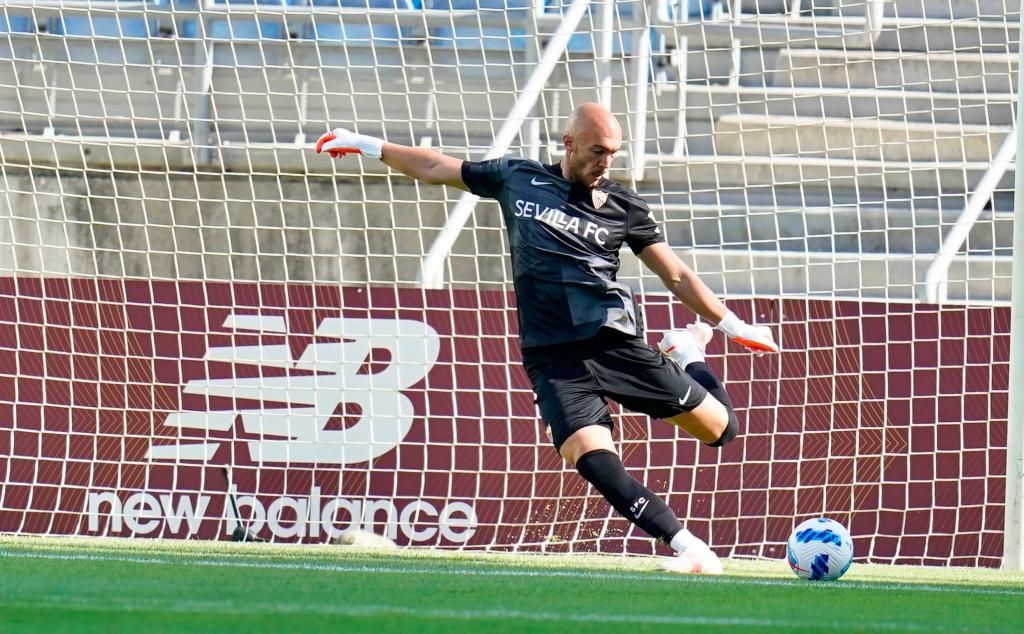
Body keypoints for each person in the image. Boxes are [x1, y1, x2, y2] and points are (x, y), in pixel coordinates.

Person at [315, 102, 779, 574]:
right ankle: (689, 548)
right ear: (569, 143)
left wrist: (733, 326)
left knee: (721, 431)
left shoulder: (624, 207)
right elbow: (436, 166)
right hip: (553, 357)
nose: (606, 162)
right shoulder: (518, 178)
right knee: (590, 456)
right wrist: (367, 144)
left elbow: (676, 275)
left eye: (614, 153)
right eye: (598, 150)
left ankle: (688, 351)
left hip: (612, 343)